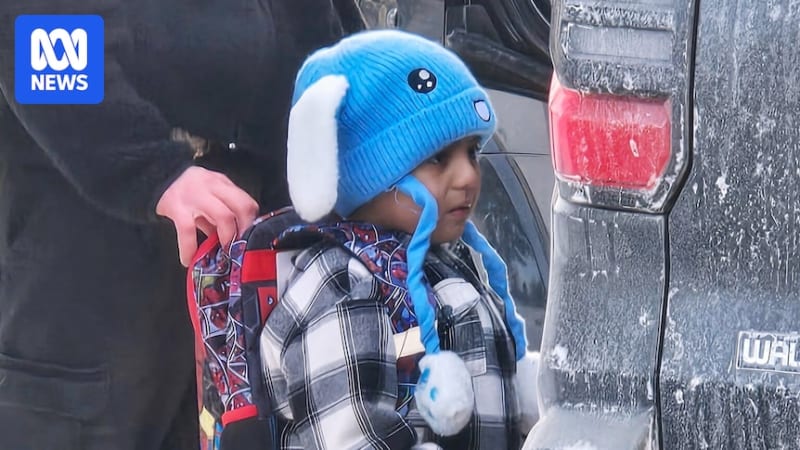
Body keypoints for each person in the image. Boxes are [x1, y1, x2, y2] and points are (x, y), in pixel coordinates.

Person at [0, 1, 360, 449]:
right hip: (93, 274)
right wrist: (153, 170)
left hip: (258, 264)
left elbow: (340, 47)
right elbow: (40, 35)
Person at [259, 29, 540, 449]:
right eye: (436, 158)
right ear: (372, 175)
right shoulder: (344, 286)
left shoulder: (445, 260)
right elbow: (352, 439)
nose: (467, 177)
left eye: (472, 153)